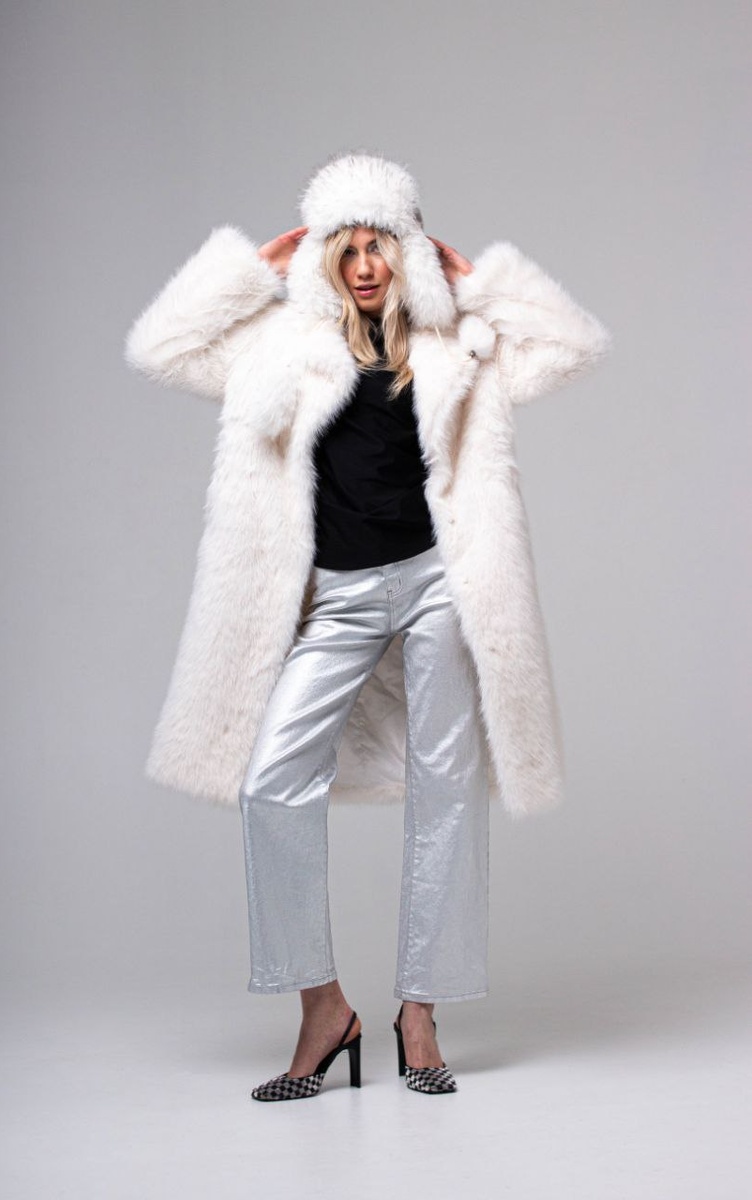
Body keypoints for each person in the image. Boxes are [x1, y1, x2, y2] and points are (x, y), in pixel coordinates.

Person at [124, 152, 611, 1101]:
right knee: (271, 782)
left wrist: (483, 280)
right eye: (345, 248)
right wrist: (251, 271)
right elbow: (161, 348)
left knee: (446, 788)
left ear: (409, 252)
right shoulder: (280, 345)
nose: (362, 266)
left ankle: (420, 1015)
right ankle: (324, 1009)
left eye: (379, 245)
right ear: (324, 258)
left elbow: (574, 347)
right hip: (339, 598)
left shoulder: (457, 345)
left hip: (439, 587)